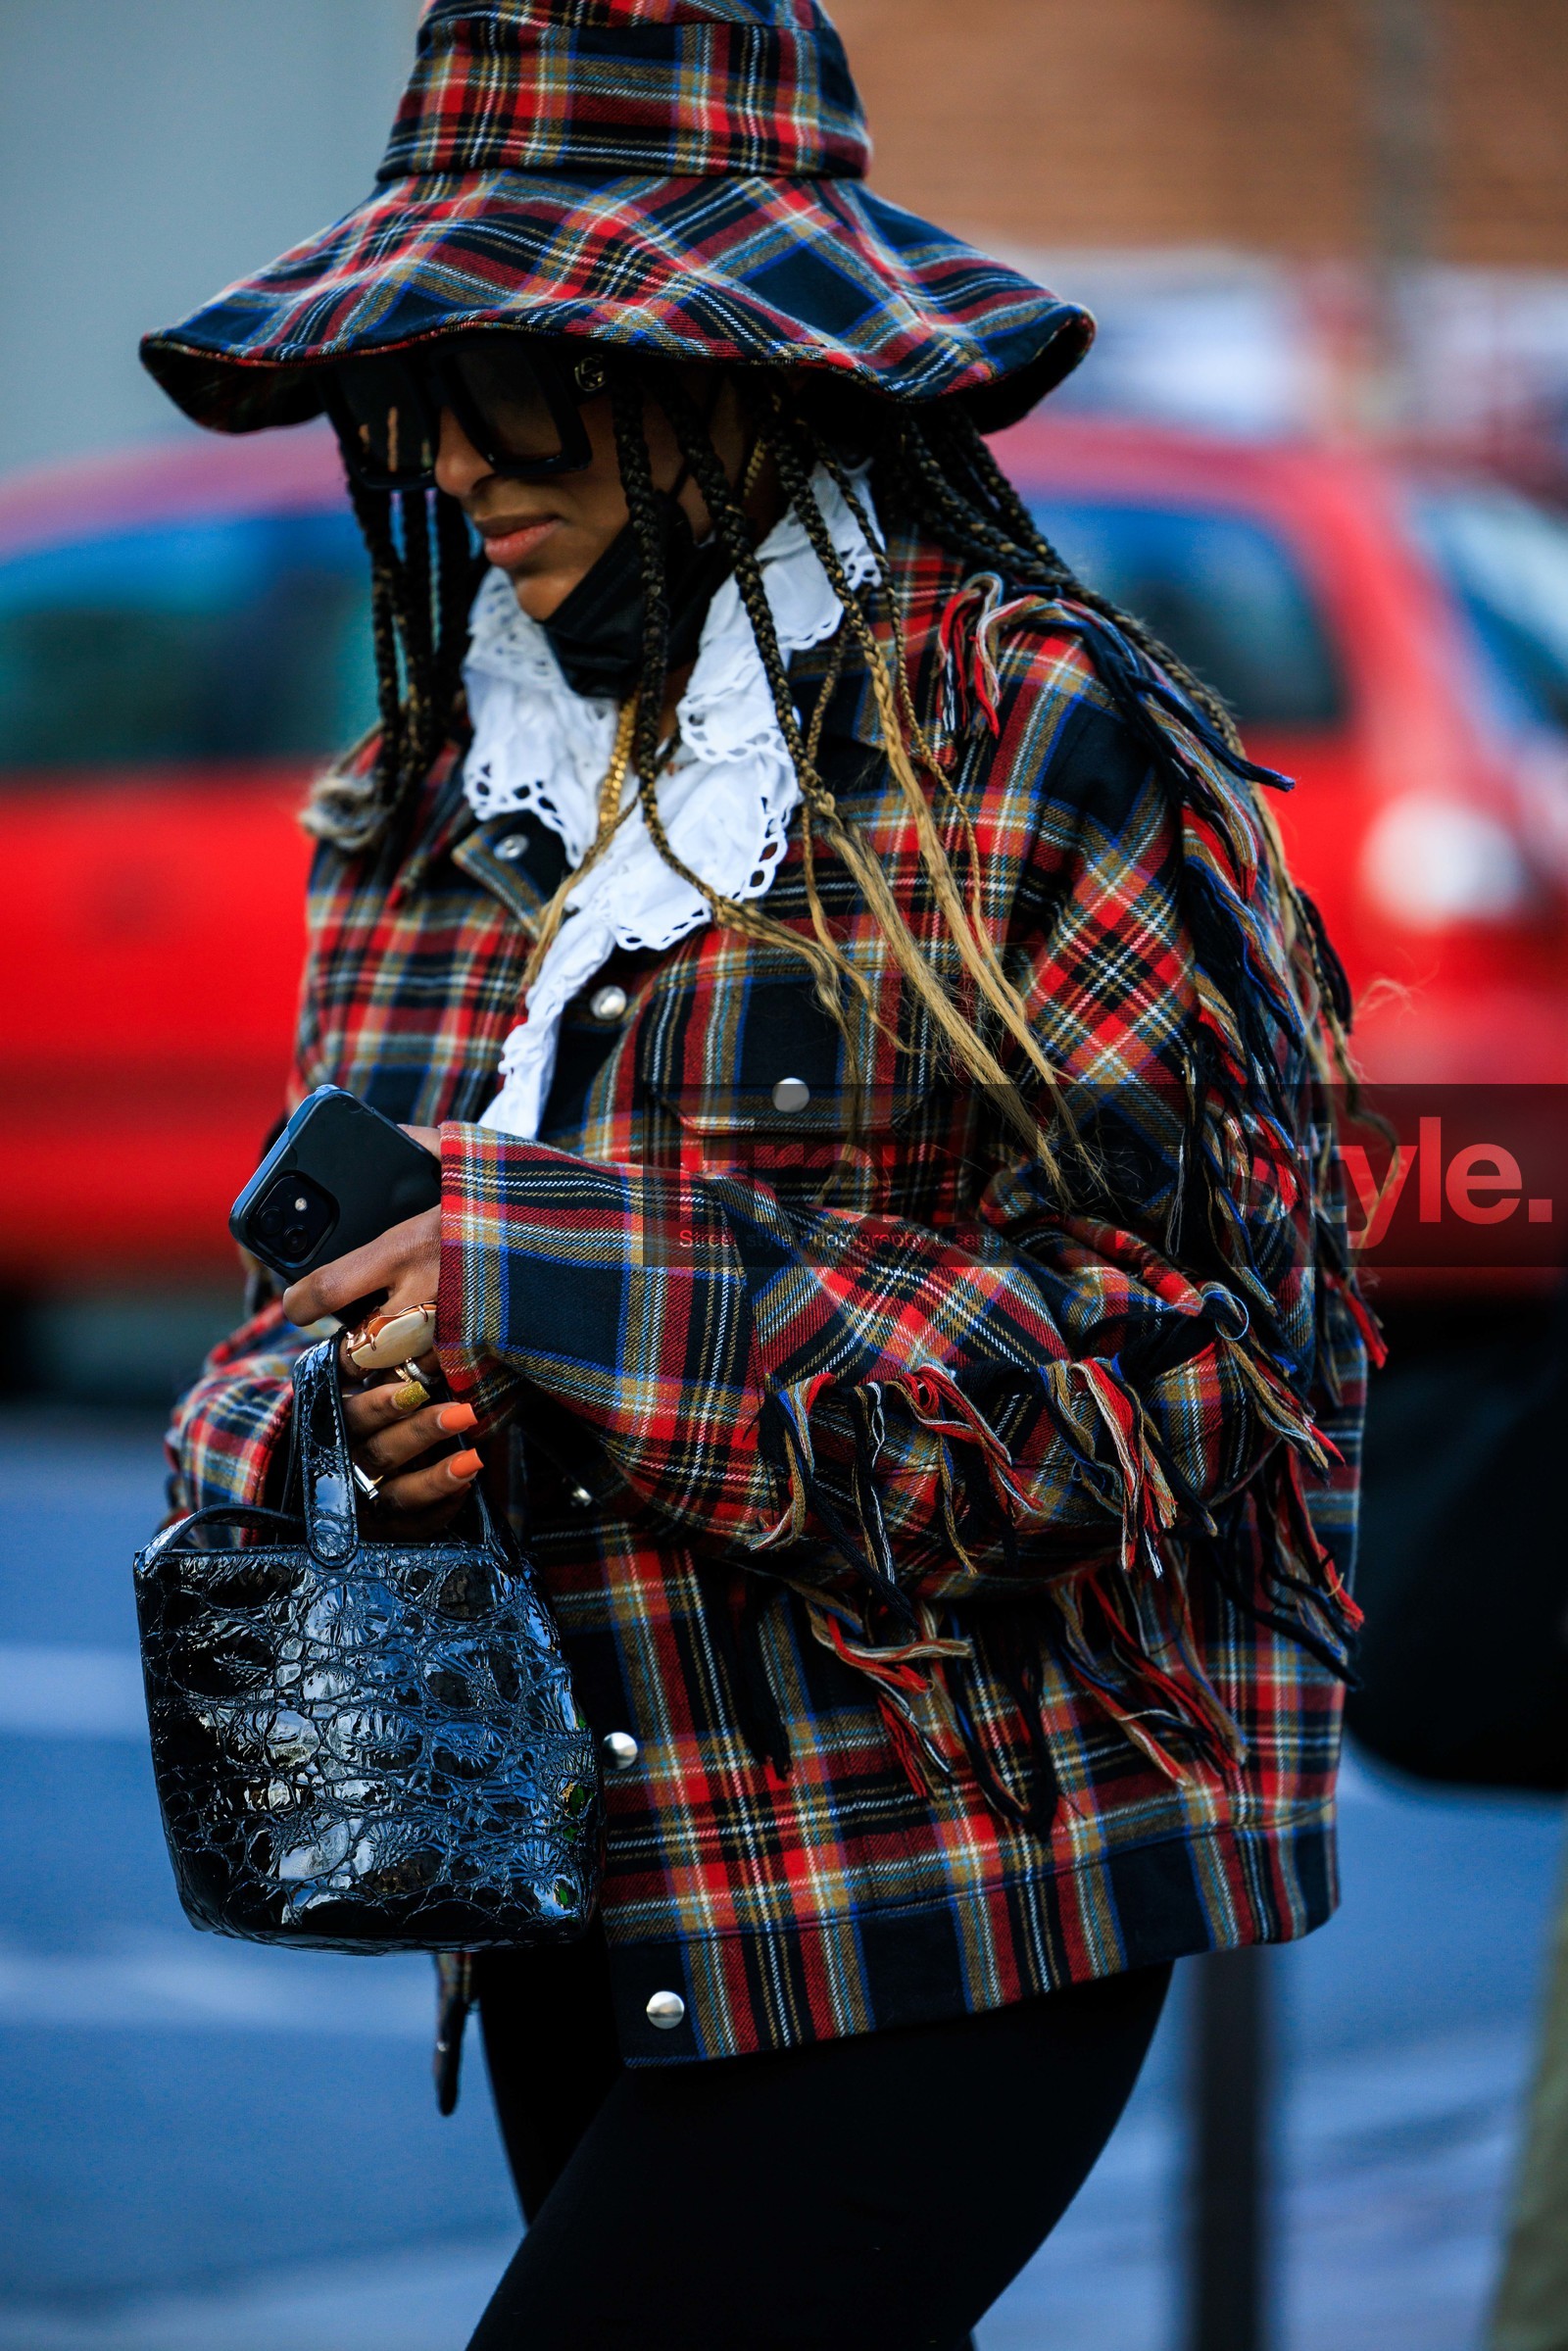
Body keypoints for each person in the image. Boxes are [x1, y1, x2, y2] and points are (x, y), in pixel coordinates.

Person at [143, 4, 1372, 2344]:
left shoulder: (1029, 743)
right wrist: (366, 1429)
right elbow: (267, 1349)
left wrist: (543, 1277)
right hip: (565, 1883)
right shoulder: (413, 804)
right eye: (404, 361)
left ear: (729, 366)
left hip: (944, 1875)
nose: (438, 442)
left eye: (513, 355)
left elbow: (1194, 1387)